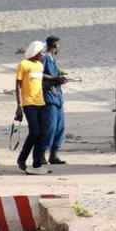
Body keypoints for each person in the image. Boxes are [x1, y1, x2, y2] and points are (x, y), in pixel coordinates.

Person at [15, 41, 50, 175]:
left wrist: (55, 78)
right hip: (28, 104)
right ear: (35, 52)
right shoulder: (23, 64)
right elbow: (18, 86)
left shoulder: (40, 65)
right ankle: (22, 159)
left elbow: (40, 81)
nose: (43, 54)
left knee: (43, 133)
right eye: (41, 52)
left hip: (40, 102)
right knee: (34, 132)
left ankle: (36, 163)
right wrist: (19, 106)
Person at [42, 36, 68, 165]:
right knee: (50, 127)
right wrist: (54, 79)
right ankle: (41, 155)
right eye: (59, 45)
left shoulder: (52, 60)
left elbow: (54, 74)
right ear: (55, 45)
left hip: (57, 97)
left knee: (60, 127)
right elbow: (39, 74)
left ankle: (53, 155)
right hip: (49, 96)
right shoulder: (45, 58)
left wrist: (60, 76)